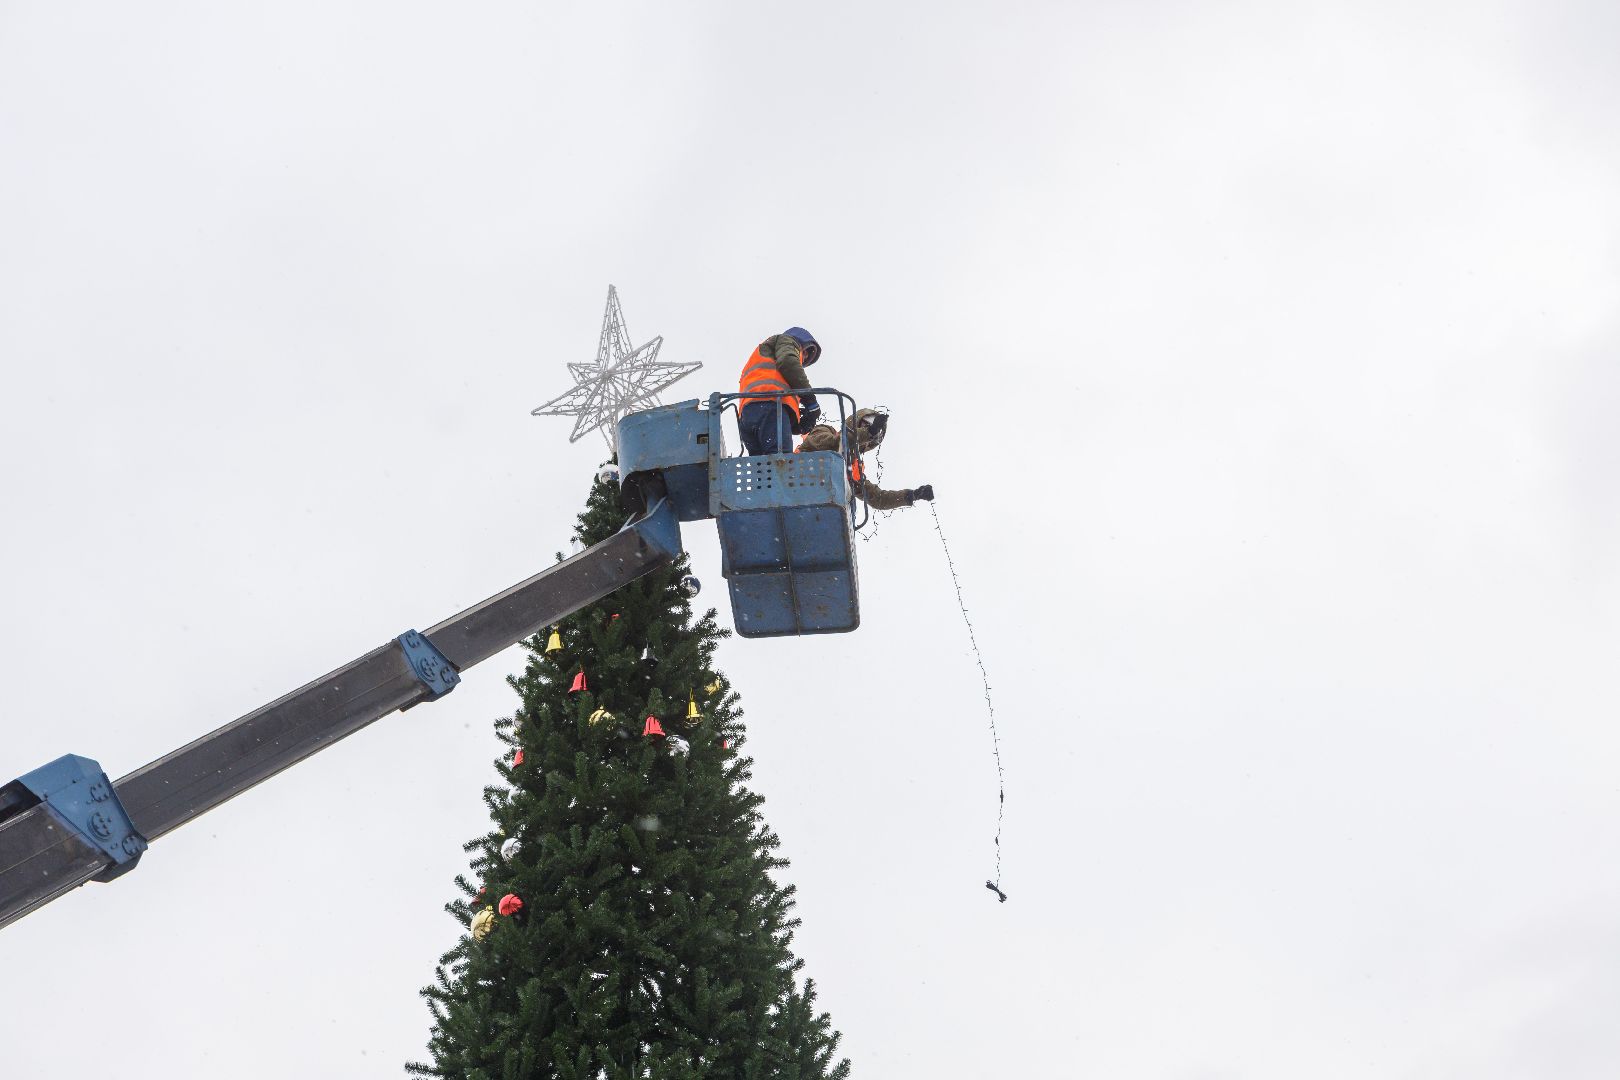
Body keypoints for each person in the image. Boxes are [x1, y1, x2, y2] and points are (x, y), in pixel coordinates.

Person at [796, 407, 934, 510]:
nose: (868, 434)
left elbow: (878, 498)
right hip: (793, 482)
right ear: (855, 423)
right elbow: (828, 444)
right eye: (865, 426)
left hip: (821, 506)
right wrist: (869, 432)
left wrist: (912, 495)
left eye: (873, 435)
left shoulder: (853, 467)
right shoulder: (825, 430)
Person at [738, 327, 822, 455]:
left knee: (762, 469)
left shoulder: (765, 361)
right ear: (803, 343)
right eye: (806, 353)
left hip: (748, 414)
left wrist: (797, 423)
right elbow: (788, 362)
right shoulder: (787, 340)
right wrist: (810, 401)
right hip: (770, 406)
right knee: (781, 462)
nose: (803, 358)